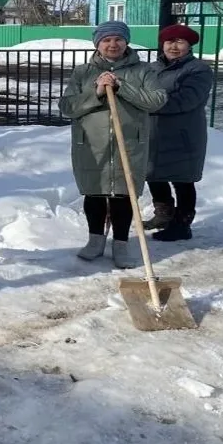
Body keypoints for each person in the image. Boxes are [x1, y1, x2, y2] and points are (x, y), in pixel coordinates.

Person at [58, 20, 167, 268]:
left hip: (129, 144)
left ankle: (121, 244)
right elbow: (67, 107)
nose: (112, 44)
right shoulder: (83, 72)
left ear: (126, 41)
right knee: (94, 193)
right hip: (91, 145)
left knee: (123, 194)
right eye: (106, 40)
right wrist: (96, 92)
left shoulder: (143, 71)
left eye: (118, 39)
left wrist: (121, 86)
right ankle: (95, 240)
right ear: (97, 44)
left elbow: (156, 100)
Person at [144, 23, 213, 242]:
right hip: (154, 133)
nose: (174, 46)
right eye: (169, 41)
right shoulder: (151, 69)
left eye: (180, 42)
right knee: (152, 173)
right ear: (162, 45)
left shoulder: (198, 69)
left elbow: (187, 100)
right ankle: (163, 215)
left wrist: (146, 102)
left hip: (183, 134)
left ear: (189, 45)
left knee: (182, 179)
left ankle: (183, 224)